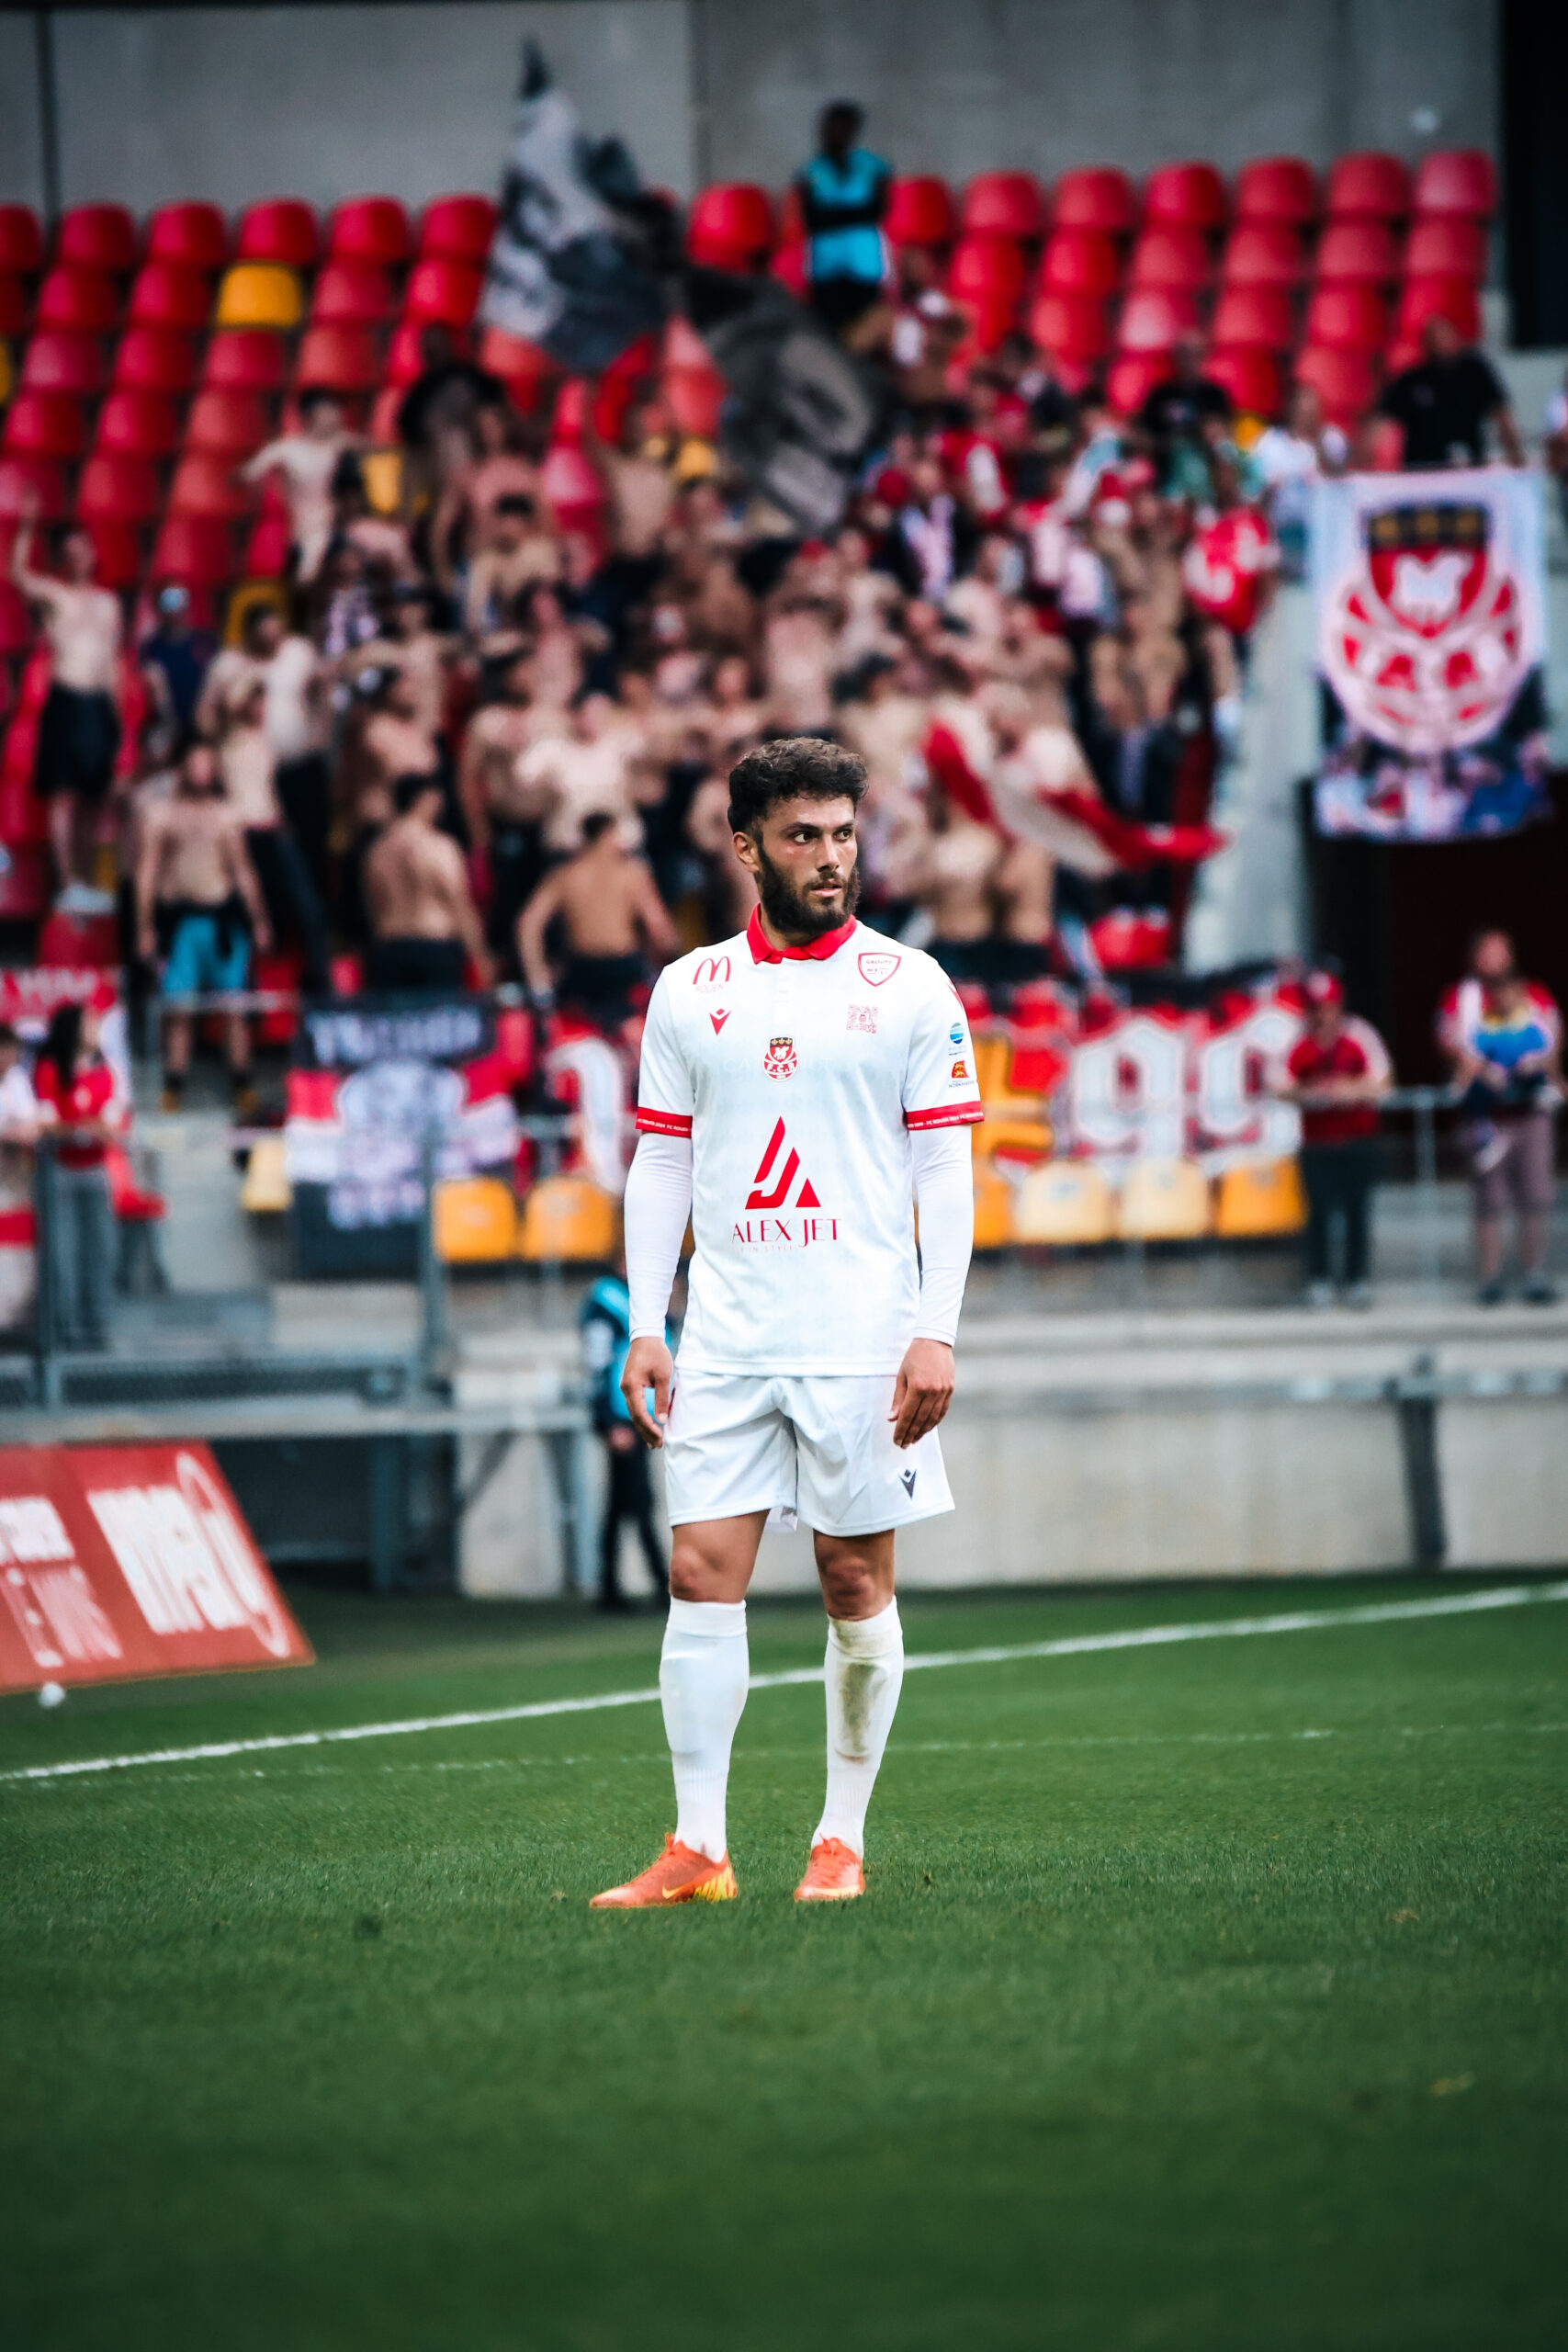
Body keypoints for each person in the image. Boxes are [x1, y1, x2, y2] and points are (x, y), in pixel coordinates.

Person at [591, 736, 980, 1910]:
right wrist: (647, 1322)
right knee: (698, 1574)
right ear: (746, 845)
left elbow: (946, 1168)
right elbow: (661, 1161)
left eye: (843, 834)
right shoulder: (689, 989)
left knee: (854, 1584)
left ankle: (839, 1840)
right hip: (725, 1339)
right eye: (803, 835)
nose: (829, 857)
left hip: (863, 1341)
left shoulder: (910, 986)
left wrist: (937, 1328)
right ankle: (699, 1848)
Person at [138, 741, 271, 1112]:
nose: (201, 772)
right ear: (182, 768)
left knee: (233, 1008)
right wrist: (144, 927)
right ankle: (173, 1086)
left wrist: (259, 919)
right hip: (180, 924)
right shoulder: (162, 815)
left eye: (207, 765)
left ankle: (242, 1084)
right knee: (178, 1009)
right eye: (195, 764)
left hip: (222, 921)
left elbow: (243, 871)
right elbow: (148, 873)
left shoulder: (226, 815)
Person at [1438, 931, 1561, 1304]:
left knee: (1535, 1196)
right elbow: (1452, 1045)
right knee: (1489, 1201)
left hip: (1530, 1112)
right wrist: (1483, 1070)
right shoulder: (1462, 999)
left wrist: (1537, 1067)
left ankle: (1534, 1275)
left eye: (1500, 951)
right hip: (1488, 1116)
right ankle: (1489, 1278)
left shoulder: (1535, 994)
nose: (1494, 960)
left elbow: (1553, 1042)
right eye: (1487, 952)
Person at [10, 494, 122, 898]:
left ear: (92, 554)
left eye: (82, 550)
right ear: (62, 559)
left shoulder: (108, 603)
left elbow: (112, 660)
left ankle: (87, 880)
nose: (78, 558)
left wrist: (117, 713)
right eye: (70, 553)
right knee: (63, 796)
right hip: (66, 697)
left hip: (98, 703)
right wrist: (27, 527)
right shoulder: (55, 595)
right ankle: (69, 880)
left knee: (94, 796)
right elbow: (18, 574)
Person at [1275, 972, 1393, 1308]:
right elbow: (1277, 1084)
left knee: (1357, 1212)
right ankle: (1319, 1280)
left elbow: (1383, 1083)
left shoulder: (1359, 1034)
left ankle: (1357, 1280)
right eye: (1315, 1008)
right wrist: (1309, 1092)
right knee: (1318, 1215)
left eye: (1327, 1008)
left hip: (1357, 1139)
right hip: (1318, 1143)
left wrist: (1348, 1090)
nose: (1322, 1016)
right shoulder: (1298, 1041)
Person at [215, 675, 331, 997]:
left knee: (308, 908)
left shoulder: (266, 741)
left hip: (273, 831)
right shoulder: (226, 742)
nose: (261, 706)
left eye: (263, 699)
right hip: (241, 833)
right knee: (246, 915)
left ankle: (319, 985)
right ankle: (246, 990)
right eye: (255, 699)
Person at [517, 808, 677, 1025]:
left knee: (579, 1029)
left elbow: (528, 925)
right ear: (608, 834)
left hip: (580, 971)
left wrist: (539, 980)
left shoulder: (565, 875)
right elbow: (659, 929)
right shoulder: (632, 873)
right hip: (623, 969)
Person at [581, 1254, 671, 1611]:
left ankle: (610, 1589)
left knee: (621, 1505)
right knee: (639, 1501)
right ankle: (661, 1585)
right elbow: (598, 1362)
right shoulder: (607, 1302)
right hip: (624, 1418)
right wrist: (609, 1421)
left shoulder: (638, 1301)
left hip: (636, 1417)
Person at [31, 998, 122, 1350]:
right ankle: (62, 1332)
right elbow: (48, 1126)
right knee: (61, 1255)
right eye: (90, 1024)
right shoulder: (49, 1069)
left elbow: (110, 1127)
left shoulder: (103, 1072)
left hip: (94, 1170)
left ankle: (97, 1328)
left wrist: (80, 1126)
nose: (96, 1030)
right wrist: (84, 1126)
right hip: (59, 1172)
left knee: (99, 1252)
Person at [361, 773, 491, 996]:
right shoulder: (438, 846)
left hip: (387, 948)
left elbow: (372, 905)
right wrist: (480, 955)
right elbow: (458, 902)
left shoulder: (377, 850)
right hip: (434, 947)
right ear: (423, 800)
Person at [239, 388, 360, 583]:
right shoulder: (286, 449)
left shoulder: (347, 446)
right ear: (310, 416)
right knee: (311, 561)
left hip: (342, 526)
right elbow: (248, 474)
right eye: (328, 411)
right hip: (304, 530)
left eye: (336, 411)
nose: (335, 417)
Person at [1378, 315, 1524, 469]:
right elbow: (1385, 422)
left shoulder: (1475, 372)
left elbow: (1500, 413)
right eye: (1434, 338)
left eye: (1444, 336)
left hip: (1470, 463)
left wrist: (1514, 452)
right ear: (1426, 343)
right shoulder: (1413, 380)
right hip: (1423, 467)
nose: (1441, 343)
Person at [796, 101, 891, 338]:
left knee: (865, 333)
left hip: (864, 264)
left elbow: (877, 211)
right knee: (830, 333)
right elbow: (812, 219)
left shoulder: (872, 167)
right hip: (826, 266)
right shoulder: (811, 171)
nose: (832, 134)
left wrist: (833, 214)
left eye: (840, 127)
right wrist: (856, 212)